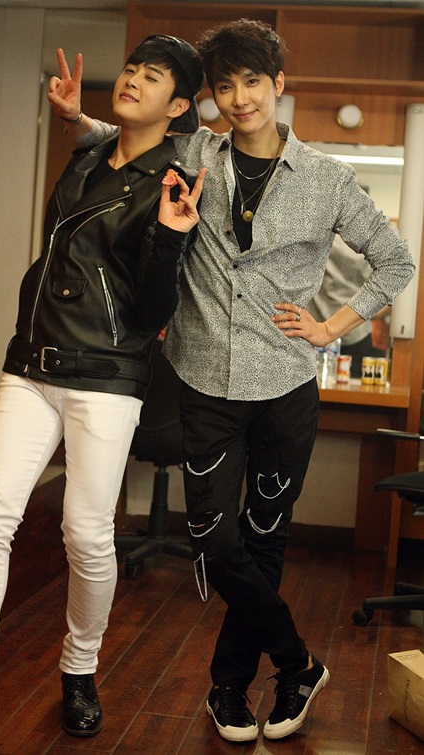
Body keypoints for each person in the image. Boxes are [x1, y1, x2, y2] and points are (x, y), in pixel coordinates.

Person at [51, 18, 414, 744]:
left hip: (285, 386)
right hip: (204, 382)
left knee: (265, 539)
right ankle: (298, 661)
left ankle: (228, 687)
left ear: (278, 84)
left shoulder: (328, 179)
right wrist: (77, 120)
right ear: (211, 97)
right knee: (215, 542)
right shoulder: (193, 151)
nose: (240, 98)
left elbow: (397, 261)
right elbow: (124, 137)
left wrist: (331, 325)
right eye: (225, 86)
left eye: (253, 82)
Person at [0, 35, 206, 747]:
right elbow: (83, 184)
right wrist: (73, 119)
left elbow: (155, 310)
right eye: (131, 68)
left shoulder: (174, 181)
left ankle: (80, 669)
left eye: (153, 77)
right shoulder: (92, 153)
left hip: (107, 376)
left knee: (86, 534)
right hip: (30, 363)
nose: (132, 79)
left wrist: (170, 237)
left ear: (178, 105)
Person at [308, 234, 390, 379]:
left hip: (316, 330)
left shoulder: (320, 233)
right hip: (355, 329)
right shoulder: (379, 237)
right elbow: (393, 293)